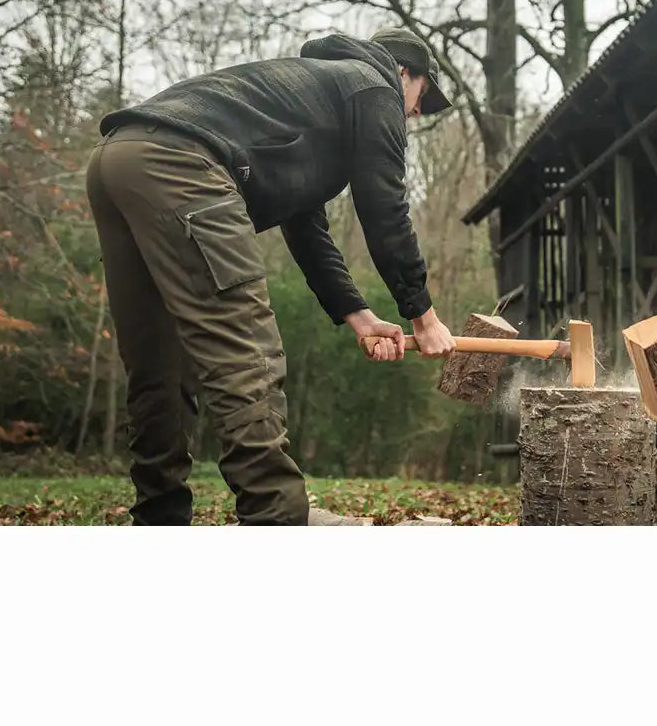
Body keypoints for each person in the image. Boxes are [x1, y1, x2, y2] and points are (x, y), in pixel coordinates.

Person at [85, 27, 457, 526]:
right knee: (247, 356)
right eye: (421, 98)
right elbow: (385, 208)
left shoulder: (316, 93)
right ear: (404, 72)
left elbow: (308, 231)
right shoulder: (373, 86)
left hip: (117, 159)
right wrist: (422, 314)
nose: (414, 112)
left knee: (159, 362)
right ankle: (276, 521)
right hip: (184, 165)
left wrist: (361, 316)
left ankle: (159, 518)